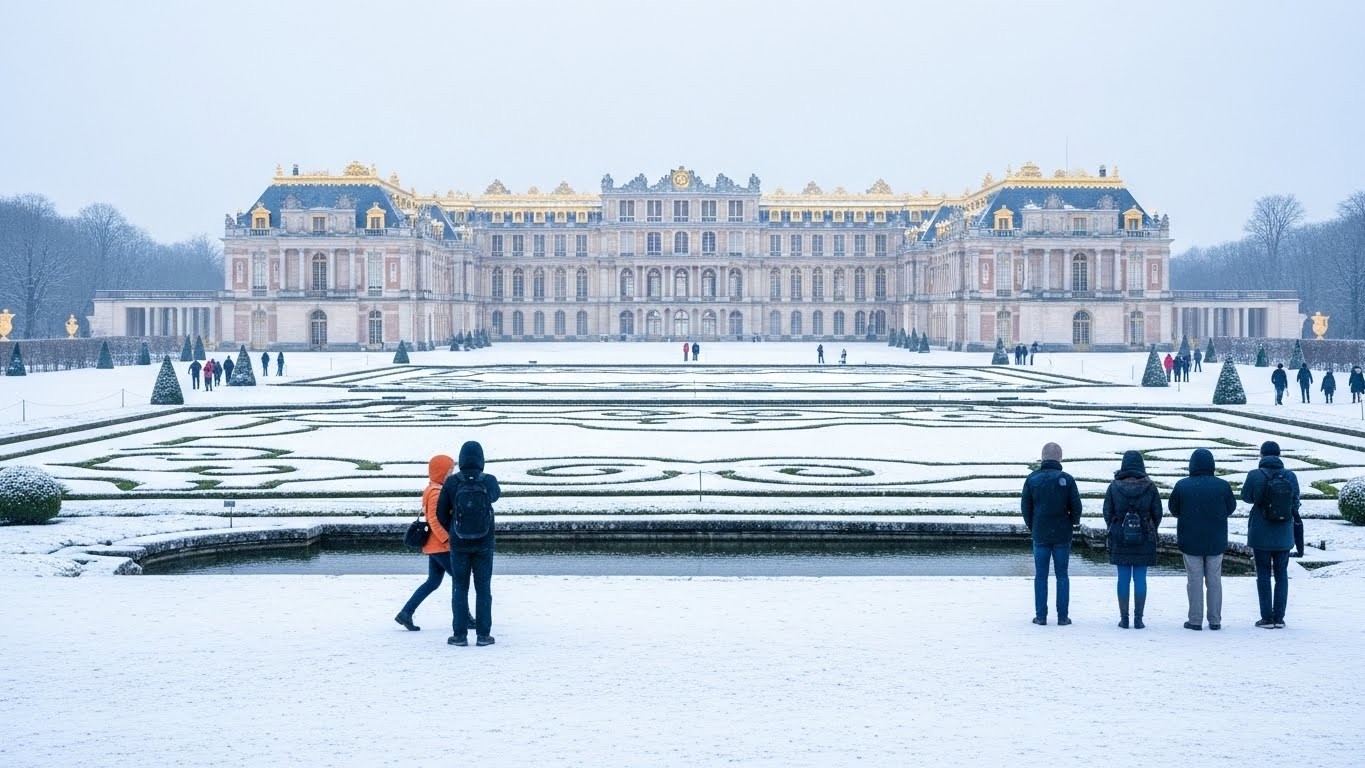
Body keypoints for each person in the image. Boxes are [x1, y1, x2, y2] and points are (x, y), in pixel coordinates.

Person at [395, 455, 475, 632]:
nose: (451, 475)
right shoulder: (436, 492)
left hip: (433, 546)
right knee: (460, 579)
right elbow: (433, 519)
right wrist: (448, 538)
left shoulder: (433, 488)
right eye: (449, 471)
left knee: (433, 582)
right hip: (440, 546)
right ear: (440, 472)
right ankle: (465, 617)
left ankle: (406, 613)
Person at [437, 441, 501, 647]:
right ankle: (483, 635)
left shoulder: (452, 482)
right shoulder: (489, 480)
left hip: (459, 544)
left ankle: (460, 635)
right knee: (483, 589)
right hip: (484, 544)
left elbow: (440, 513)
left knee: (459, 588)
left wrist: (454, 531)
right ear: (481, 458)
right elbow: (495, 497)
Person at [1168, 448, 1236, 631]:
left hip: (1190, 540)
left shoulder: (1182, 485)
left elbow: (1174, 509)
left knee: (1194, 581)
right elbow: (1231, 508)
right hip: (1216, 540)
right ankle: (1215, 620)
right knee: (1214, 580)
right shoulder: (1222, 485)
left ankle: (1195, 620)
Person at [1021, 442, 1083, 626]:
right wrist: (1072, 523)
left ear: (1042, 457)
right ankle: (1062, 617)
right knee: (1062, 575)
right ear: (1060, 457)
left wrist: (1033, 526)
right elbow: (1077, 507)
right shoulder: (1067, 479)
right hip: (1063, 534)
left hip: (1040, 533)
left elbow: (1026, 508)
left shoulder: (1032, 479)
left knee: (1041, 575)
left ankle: (1041, 616)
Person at [1240, 441, 1300, 628]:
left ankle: (1266, 618)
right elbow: (1296, 501)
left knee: (1263, 574)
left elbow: (1246, 497)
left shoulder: (1255, 475)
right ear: (1279, 455)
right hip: (1284, 532)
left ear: (1261, 455)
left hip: (1261, 531)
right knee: (1282, 574)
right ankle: (1279, 618)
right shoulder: (1290, 475)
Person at [1102, 451, 1163, 629]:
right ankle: (1138, 619)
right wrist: (1147, 527)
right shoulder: (1150, 487)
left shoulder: (1114, 487)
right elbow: (1157, 514)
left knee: (1123, 578)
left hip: (1120, 538)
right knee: (1140, 578)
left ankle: (1124, 618)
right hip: (1144, 538)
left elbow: (1107, 512)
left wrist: (1118, 527)